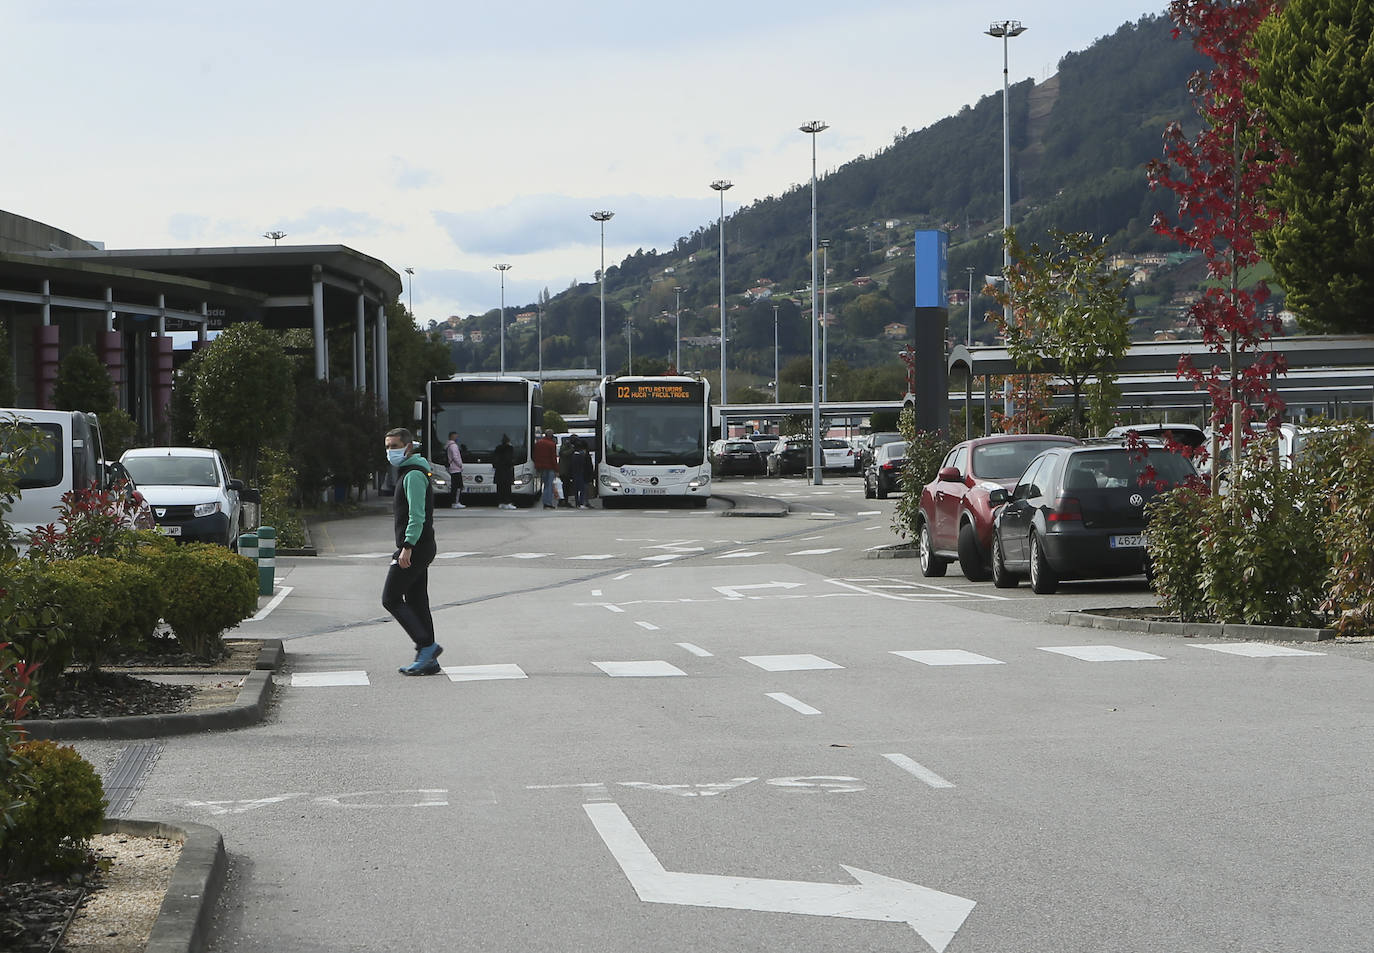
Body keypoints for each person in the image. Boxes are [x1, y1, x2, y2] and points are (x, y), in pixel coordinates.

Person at [382, 428, 442, 676]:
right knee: (417, 601)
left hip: (416, 547)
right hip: (421, 545)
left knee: (391, 598)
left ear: (408, 447)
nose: (390, 451)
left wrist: (407, 547)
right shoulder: (410, 472)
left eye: (394, 446)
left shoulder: (414, 475)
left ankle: (427, 646)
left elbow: (417, 516)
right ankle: (428, 658)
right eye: (387, 447)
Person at [533, 430, 559, 510]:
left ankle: (545, 502)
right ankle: (548, 503)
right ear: (551, 436)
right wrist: (556, 469)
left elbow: (535, 455)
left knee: (545, 485)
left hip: (541, 467)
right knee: (549, 485)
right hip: (550, 467)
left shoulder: (538, 443)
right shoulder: (551, 444)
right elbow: (553, 458)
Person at [493, 433, 515, 510]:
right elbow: (509, 459)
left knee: (500, 487)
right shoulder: (509, 448)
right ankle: (507, 502)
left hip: (499, 471)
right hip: (506, 471)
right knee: (507, 487)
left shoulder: (497, 448)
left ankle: (501, 502)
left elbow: (494, 460)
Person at [445, 431, 465, 509]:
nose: (457, 438)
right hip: (456, 468)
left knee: (454, 486)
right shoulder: (453, 446)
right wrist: (460, 465)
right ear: (452, 437)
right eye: (456, 436)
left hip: (452, 468)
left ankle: (454, 502)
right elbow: (455, 457)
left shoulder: (448, 445)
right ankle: (456, 502)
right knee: (458, 486)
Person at [570, 437, 591, 509]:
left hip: (575, 474)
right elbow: (586, 465)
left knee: (576, 489)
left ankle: (577, 503)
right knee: (582, 489)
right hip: (581, 474)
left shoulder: (573, 455)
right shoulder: (582, 455)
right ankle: (581, 503)